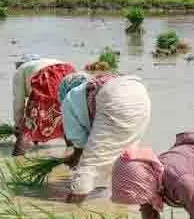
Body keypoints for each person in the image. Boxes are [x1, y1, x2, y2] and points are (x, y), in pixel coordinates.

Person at [59, 73, 151, 203]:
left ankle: (70, 209)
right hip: (140, 93)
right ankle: (124, 203)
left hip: (115, 97)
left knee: (89, 164)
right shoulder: (90, 87)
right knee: (124, 155)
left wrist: (75, 159)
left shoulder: (69, 99)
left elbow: (80, 144)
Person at [12, 56, 76, 156]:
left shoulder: (21, 69)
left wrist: (18, 125)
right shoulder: (47, 62)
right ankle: (74, 154)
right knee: (66, 120)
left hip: (48, 77)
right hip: (70, 74)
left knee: (27, 128)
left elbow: (18, 102)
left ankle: (17, 160)